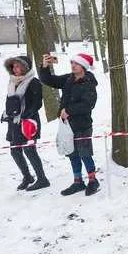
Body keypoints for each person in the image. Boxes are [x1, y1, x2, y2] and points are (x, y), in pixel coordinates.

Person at [39, 52, 100, 196]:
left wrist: (69, 111)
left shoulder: (89, 83)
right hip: (67, 125)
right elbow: (48, 80)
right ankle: (78, 182)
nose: (73, 65)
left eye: (76, 63)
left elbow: (88, 104)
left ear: (84, 66)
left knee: (84, 153)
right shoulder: (68, 79)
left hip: (82, 125)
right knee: (72, 153)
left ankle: (93, 181)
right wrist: (45, 66)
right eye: (72, 63)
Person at [2, 55, 49, 191]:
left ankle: (42, 179)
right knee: (15, 151)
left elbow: (37, 103)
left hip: (29, 123)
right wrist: (6, 113)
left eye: (17, 66)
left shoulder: (34, 82)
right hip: (13, 122)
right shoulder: (12, 82)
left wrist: (25, 114)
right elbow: (9, 101)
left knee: (29, 150)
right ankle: (27, 177)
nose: (15, 69)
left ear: (25, 67)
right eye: (13, 66)